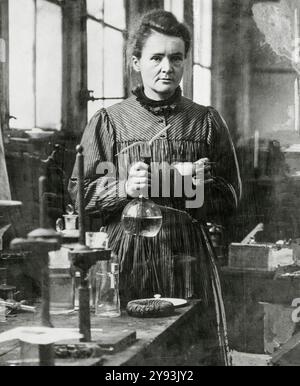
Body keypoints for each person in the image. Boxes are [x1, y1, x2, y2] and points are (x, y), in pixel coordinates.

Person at [69, 10, 241, 366]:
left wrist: (193, 186)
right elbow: (79, 194)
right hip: (126, 256)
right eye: (156, 57)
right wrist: (123, 187)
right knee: (130, 354)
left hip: (187, 255)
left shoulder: (205, 121)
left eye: (176, 58)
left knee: (188, 355)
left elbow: (231, 196)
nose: (167, 67)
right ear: (136, 62)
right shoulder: (109, 122)